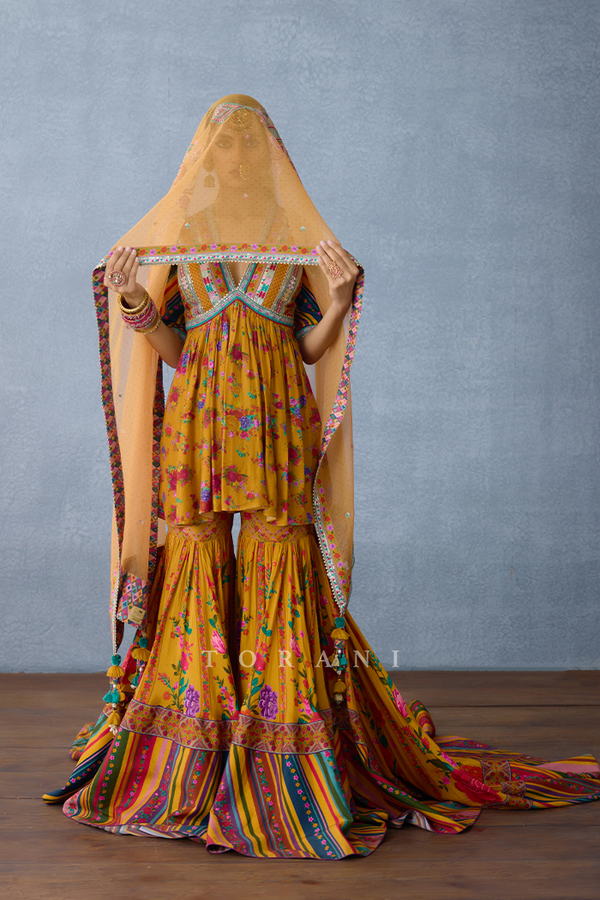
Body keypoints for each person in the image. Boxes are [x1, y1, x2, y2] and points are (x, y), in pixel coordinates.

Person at [43, 94, 600, 858]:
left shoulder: (295, 238)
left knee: (279, 558)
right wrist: (138, 302)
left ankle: (280, 741)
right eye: (224, 145)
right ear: (204, 158)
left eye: (250, 144)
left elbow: (308, 350)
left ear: (271, 154)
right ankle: (191, 742)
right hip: (199, 425)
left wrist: (336, 303)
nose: (237, 157)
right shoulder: (183, 239)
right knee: (197, 557)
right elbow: (175, 350)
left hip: (277, 427)